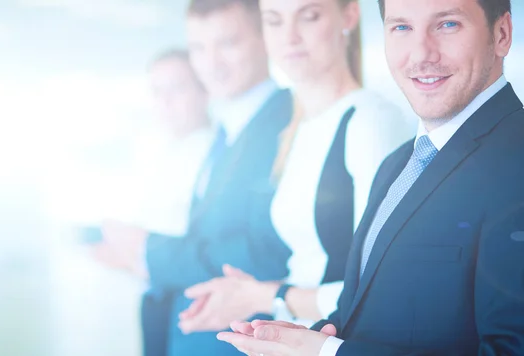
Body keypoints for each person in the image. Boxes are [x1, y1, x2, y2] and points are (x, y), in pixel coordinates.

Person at [217, 0, 524, 355]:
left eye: (447, 25)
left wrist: (327, 353)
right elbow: (366, 310)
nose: (421, 53)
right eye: (401, 28)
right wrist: (305, 338)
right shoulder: (399, 165)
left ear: (502, 34)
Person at [179, 0, 413, 334]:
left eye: (309, 17)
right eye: (274, 21)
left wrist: (266, 294)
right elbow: (310, 266)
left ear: (348, 15)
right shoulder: (297, 129)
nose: (289, 37)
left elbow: (387, 289)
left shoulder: (369, 121)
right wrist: (246, 295)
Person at [95, 0, 294, 355]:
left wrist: (148, 250)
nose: (211, 64)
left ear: (266, 37)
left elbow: (268, 250)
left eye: (228, 43)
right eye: (199, 48)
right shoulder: (227, 133)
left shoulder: (288, 124)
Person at [93, 49, 213, 271]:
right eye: (156, 91)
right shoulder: (156, 149)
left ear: (205, 91)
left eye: (178, 89)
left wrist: (133, 253)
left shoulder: (214, 156)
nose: (165, 101)